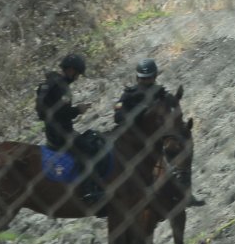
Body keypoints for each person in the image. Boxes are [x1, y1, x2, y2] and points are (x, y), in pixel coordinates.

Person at [114, 58, 206, 207]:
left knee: (184, 146)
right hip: (134, 137)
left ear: (155, 76)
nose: (146, 81)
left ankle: (185, 192)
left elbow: (174, 115)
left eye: (149, 78)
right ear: (137, 78)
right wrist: (139, 112)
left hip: (159, 138)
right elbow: (118, 117)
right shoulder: (129, 95)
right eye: (143, 78)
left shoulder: (162, 95)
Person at [35, 53, 104, 203]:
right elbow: (61, 113)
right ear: (71, 70)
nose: (77, 78)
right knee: (88, 149)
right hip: (62, 134)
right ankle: (88, 191)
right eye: (77, 74)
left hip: (51, 132)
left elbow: (45, 112)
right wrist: (78, 110)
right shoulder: (62, 87)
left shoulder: (49, 83)